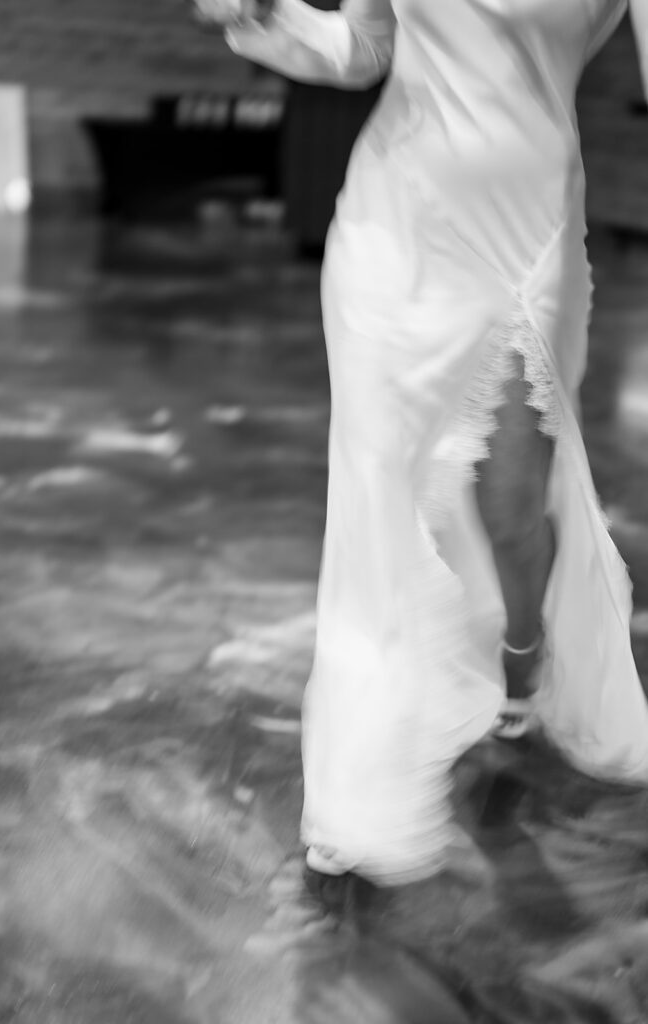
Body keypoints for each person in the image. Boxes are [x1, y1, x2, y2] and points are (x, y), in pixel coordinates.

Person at [192, 0, 648, 884]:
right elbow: (365, 46)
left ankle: (525, 656)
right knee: (378, 489)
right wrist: (266, 11)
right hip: (395, 222)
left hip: (527, 234)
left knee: (513, 503)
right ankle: (358, 784)